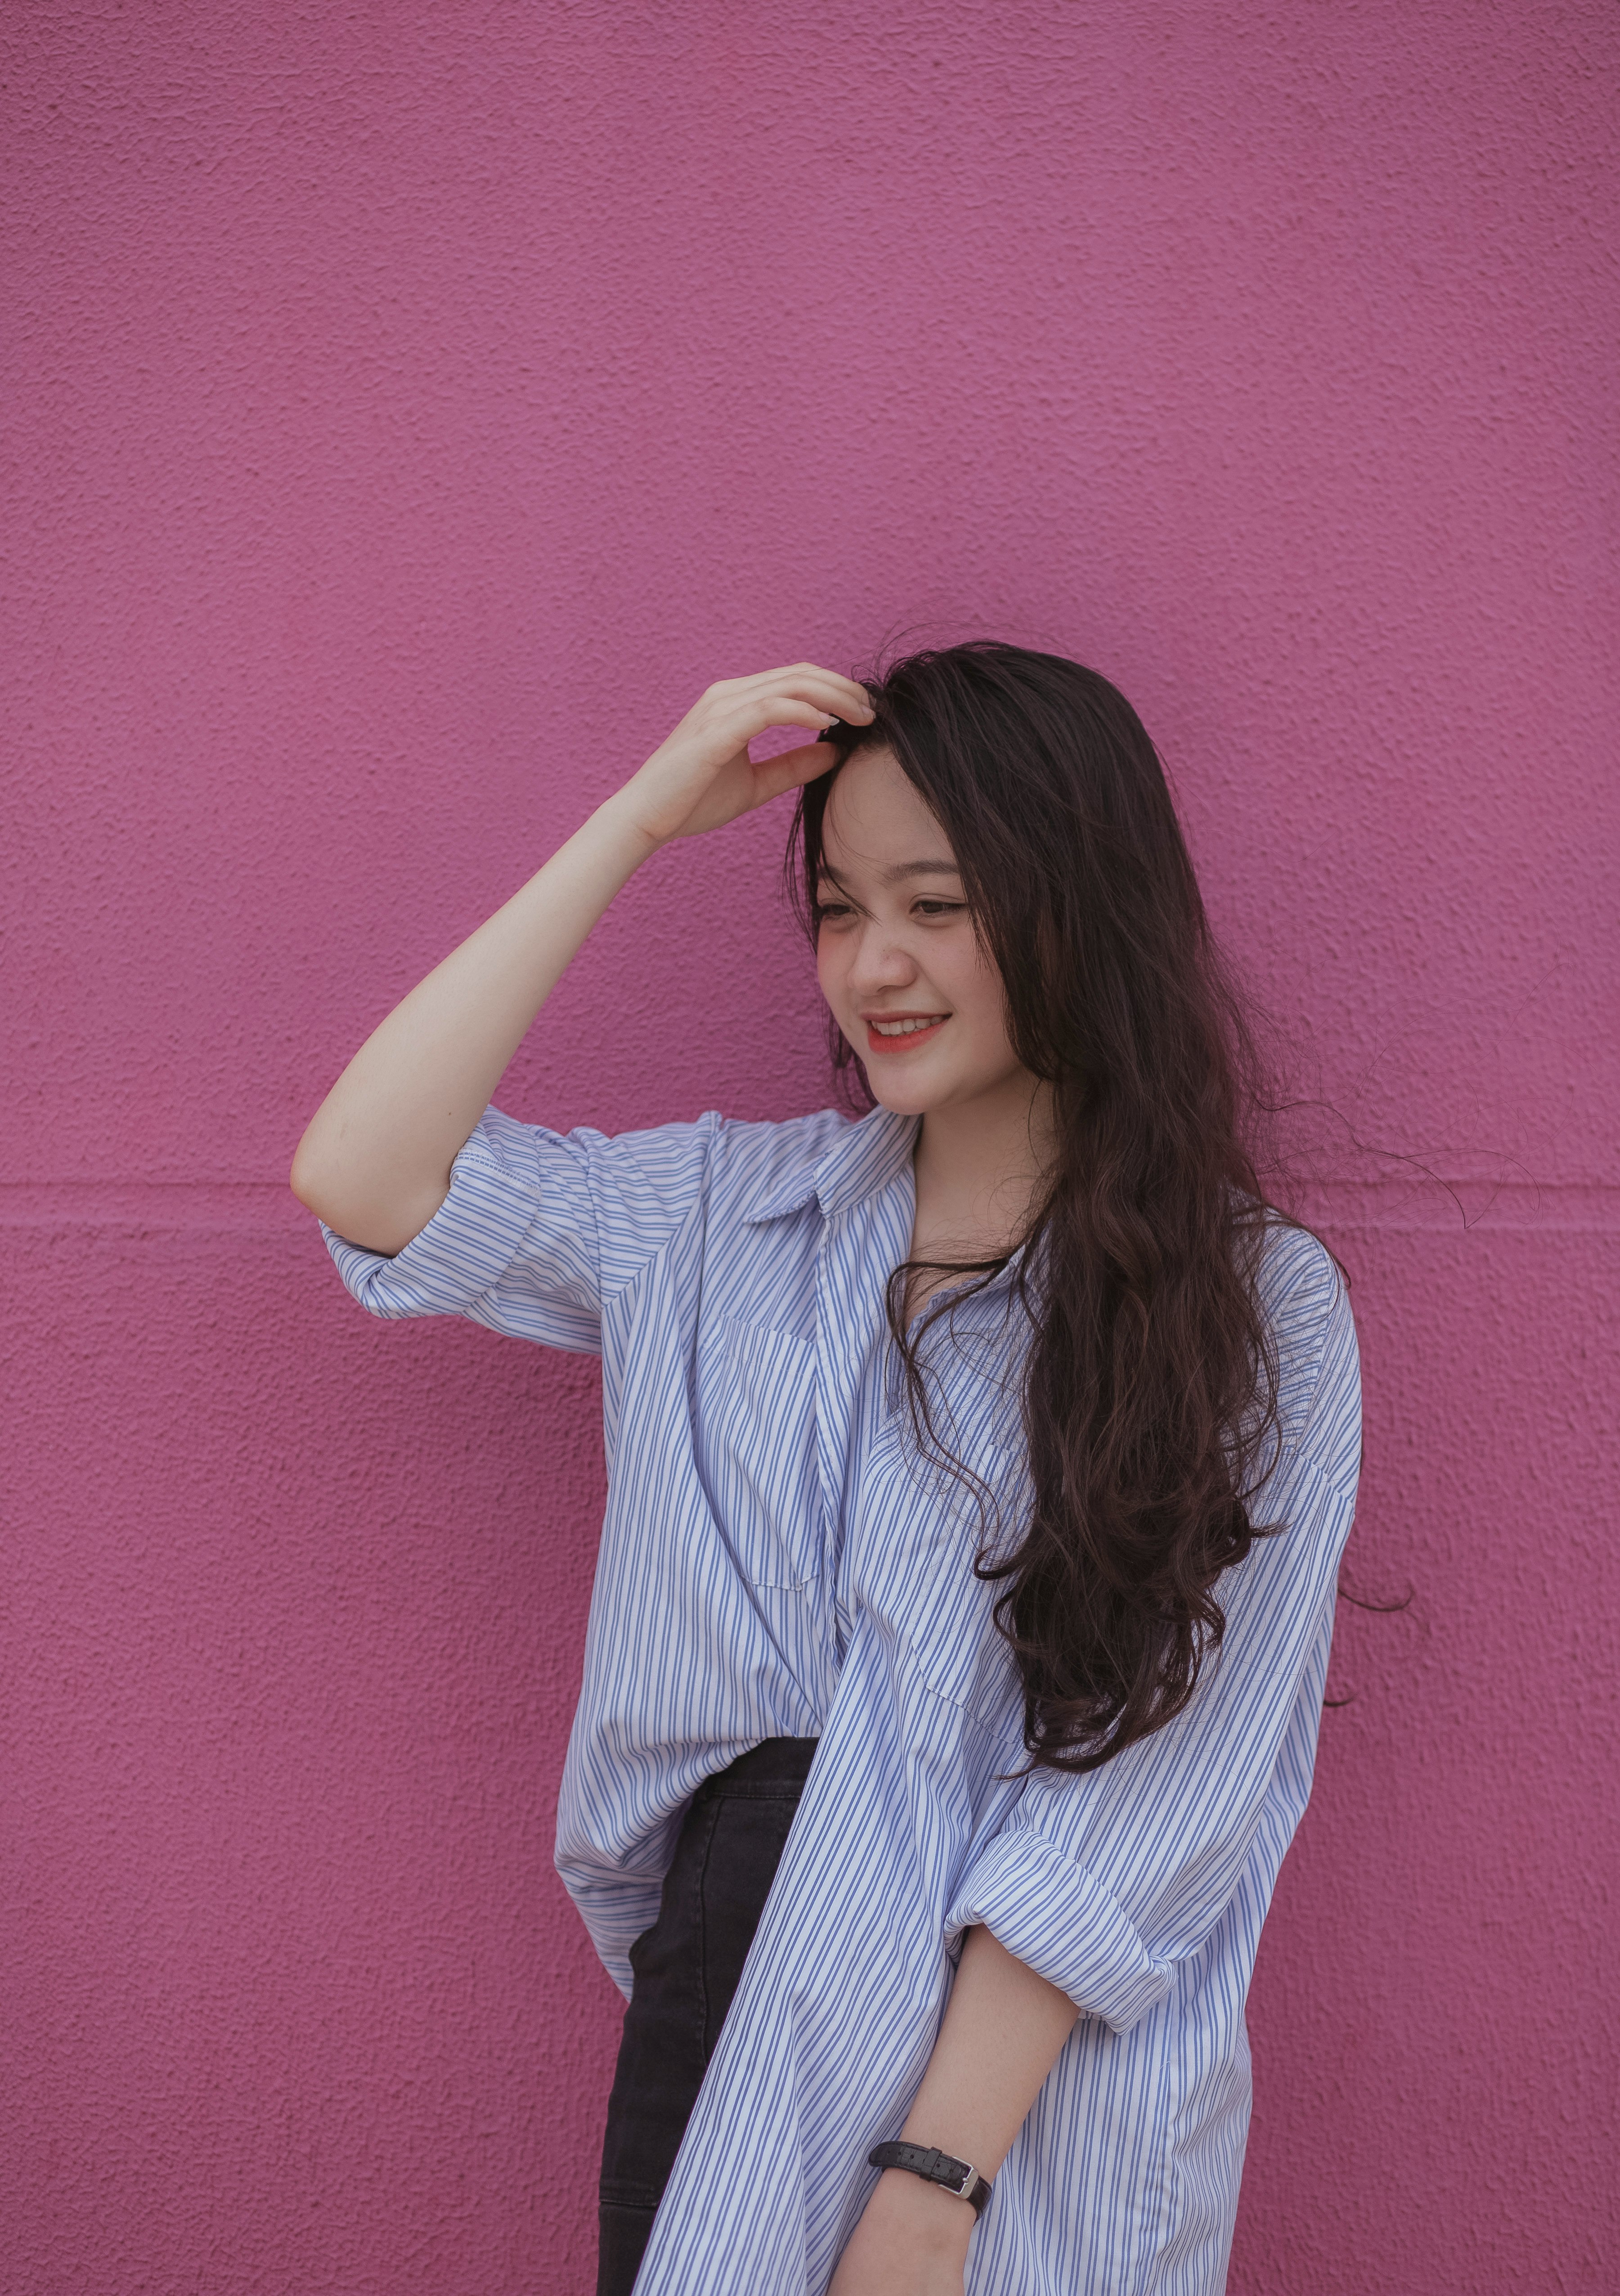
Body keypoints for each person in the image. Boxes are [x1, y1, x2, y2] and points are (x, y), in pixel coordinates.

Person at [290, 643, 1361, 2296]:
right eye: (837, 910)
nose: (875, 965)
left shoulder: (1251, 1303)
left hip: (1028, 2072)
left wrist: (932, 2181)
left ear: (1078, 907)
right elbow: (365, 1175)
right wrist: (639, 823)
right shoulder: (724, 1221)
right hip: (729, 1989)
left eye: (935, 904)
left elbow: (1162, 1795)